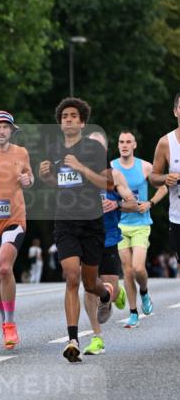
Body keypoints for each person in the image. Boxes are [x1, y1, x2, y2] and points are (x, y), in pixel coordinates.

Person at [39, 97, 117, 363]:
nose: (69, 120)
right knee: (72, 277)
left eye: (74, 116)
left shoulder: (93, 148)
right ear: (60, 123)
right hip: (65, 221)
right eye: (65, 117)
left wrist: (81, 167)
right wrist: (47, 176)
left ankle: (105, 294)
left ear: (82, 122)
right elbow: (59, 183)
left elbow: (108, 184)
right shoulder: (54, 149)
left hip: (92, 222)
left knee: (89, 282)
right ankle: (73, 340)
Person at [0, 110, 33, 348]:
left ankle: (10, 323)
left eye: (6, 127)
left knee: (4, 268)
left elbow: (29, 176)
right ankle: (4, 321)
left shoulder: (21, 152)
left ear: (12, 130)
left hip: (14, 218)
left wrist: (28, 180)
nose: (2, 131)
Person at [82, 132, 131, 355]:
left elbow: (133, 203)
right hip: (85, 236)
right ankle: (97, 337)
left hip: (108, 236)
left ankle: (117, 293)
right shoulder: (78, 173)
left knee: (109, 286)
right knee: (88, 285)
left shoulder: (114, 176)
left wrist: (117, 205)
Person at [112, 131, 167, 328]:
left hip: (141, 225)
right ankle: (133, 312)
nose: (125, 145)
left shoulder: (145, 166)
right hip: (119, 225)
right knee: (127, 270)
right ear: (118, 145)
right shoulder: (112, 167)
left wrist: (150, 203)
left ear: (134, 145)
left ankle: (144, 292)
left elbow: (163, 187)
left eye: (128, 142)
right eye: (121, 142)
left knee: (138, 268)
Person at [150, 91, 180, 261]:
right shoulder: (165, 142)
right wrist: (165, 178)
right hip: (178, 217)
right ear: (175, 111)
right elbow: (153, 177)